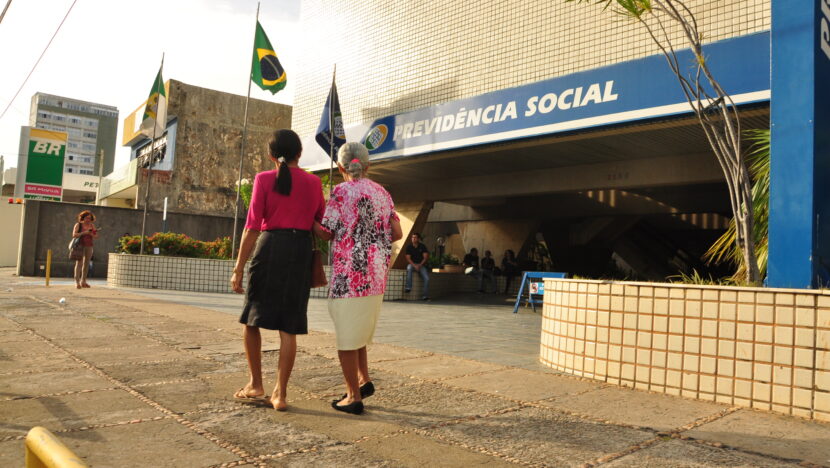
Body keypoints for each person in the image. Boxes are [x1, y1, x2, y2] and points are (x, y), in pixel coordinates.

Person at [230, 129, 325, 412]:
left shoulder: (263, 179)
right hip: (299, 252)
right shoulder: (313, 183)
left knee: (252, 319)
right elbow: (320, 226)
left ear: (272, 155)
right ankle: (280, 394)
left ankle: (255, 384)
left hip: (270, 248)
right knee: (289, 326)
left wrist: (237, 268)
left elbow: (252, 228)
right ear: (300, 153)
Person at [314, 142, 403, 415]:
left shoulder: (340, 192)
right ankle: (363, 380)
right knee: (359, 333)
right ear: (368, 165)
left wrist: (308, 221)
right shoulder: (382, 192)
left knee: (346, 339)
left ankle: (353, 396)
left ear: (341, 167)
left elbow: (327, 232)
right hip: (375, 278)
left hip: (348, 277)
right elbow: (397, 232)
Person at [71, 210, 98, 289]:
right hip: (80, 246)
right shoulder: (78, 225)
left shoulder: (92, 225)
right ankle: (77, 282)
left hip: (89, 246)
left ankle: (83, 281)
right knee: (79, 263)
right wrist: (84, 233)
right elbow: (74, 235)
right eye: (86, 218)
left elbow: (96, 236)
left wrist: (92, 233)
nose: (88, 220)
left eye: (90, 218)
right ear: (82, 218)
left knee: (86, 264)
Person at [404, 232, 430, 300]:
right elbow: (408, 258)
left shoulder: (422, 246)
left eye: (415, 237)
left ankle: (425, 296)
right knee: (409, 268)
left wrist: (420, 265)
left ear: (418, 239)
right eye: (412, 237)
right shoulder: (409, 247)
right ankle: (408, 287)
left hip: (421, 265)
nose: (413, 239)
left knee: (427, 278)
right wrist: (415, 266)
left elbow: (425, 257)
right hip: (412, 264)